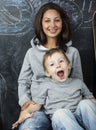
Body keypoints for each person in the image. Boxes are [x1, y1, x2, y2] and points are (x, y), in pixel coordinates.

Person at [13, 2, 84, 130]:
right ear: (41, 24)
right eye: (47, 21)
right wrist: (25, 103)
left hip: (65, 107)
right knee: (29, 127)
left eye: (57, 20)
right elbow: (23, 81)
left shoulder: (72, 52)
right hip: (39, 108)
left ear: (63, 24)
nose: (52, 25)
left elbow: (78, 81)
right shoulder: (31, 53)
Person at [12, 48, 96, 130]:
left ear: (69, 65)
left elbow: (92, 100)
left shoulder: (78, 83)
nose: (58, 65)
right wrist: (23, 114)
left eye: (61, 61)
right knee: (60, 113)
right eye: (52, 64)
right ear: (47, 72)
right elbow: (37, 106)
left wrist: (89, 103)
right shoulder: (45, 86)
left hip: (79, 118)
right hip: (60, 121)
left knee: (86, 103)